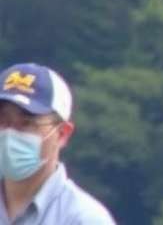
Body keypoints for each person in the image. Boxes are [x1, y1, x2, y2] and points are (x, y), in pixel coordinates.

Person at [0, 63, 115, 224]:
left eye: (26, 123)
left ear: (62, 134)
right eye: (2, 121)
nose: (9, 133)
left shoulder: (84, 219)